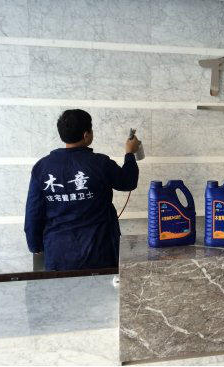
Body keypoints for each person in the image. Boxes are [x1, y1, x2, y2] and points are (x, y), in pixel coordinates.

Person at [24, 109, 140, 270]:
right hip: (99, 252)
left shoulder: (42, 167)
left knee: (62, 287)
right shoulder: (100, 163)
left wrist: (34, 245)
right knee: (101, 287)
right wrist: (129, 153)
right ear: (86, 135)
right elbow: (128, 182)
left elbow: (33, 211)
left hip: (58, 254)